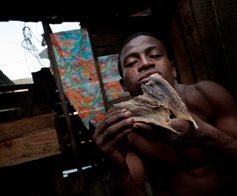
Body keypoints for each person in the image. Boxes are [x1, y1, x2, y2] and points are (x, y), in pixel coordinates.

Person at [92, 32, 237, 196]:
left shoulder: (208, 96)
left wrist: (203, 134)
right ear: (124, 85)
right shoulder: (127, 130)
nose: (145, 63)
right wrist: (117, 167)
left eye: (154, 55)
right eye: (132, 62)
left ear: (173, 69)